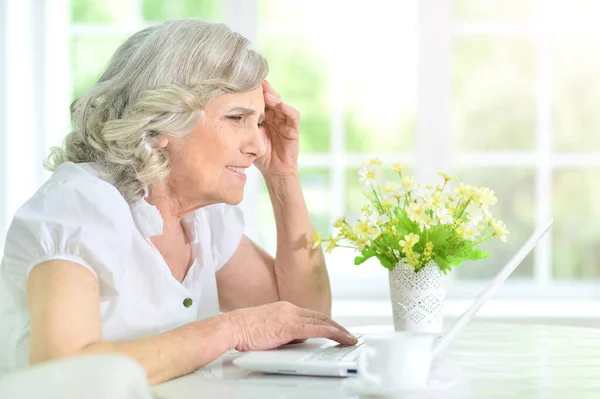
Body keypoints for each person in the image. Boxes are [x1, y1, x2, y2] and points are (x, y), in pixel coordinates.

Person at [0, 19, 357, 385]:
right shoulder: (79, 203)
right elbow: (63, 371)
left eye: (260, 123)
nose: (257, 145)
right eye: (237, 118)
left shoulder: (204, 218)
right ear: (163, 123)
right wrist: (232, 329)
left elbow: (305, 317)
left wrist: (283, 177)